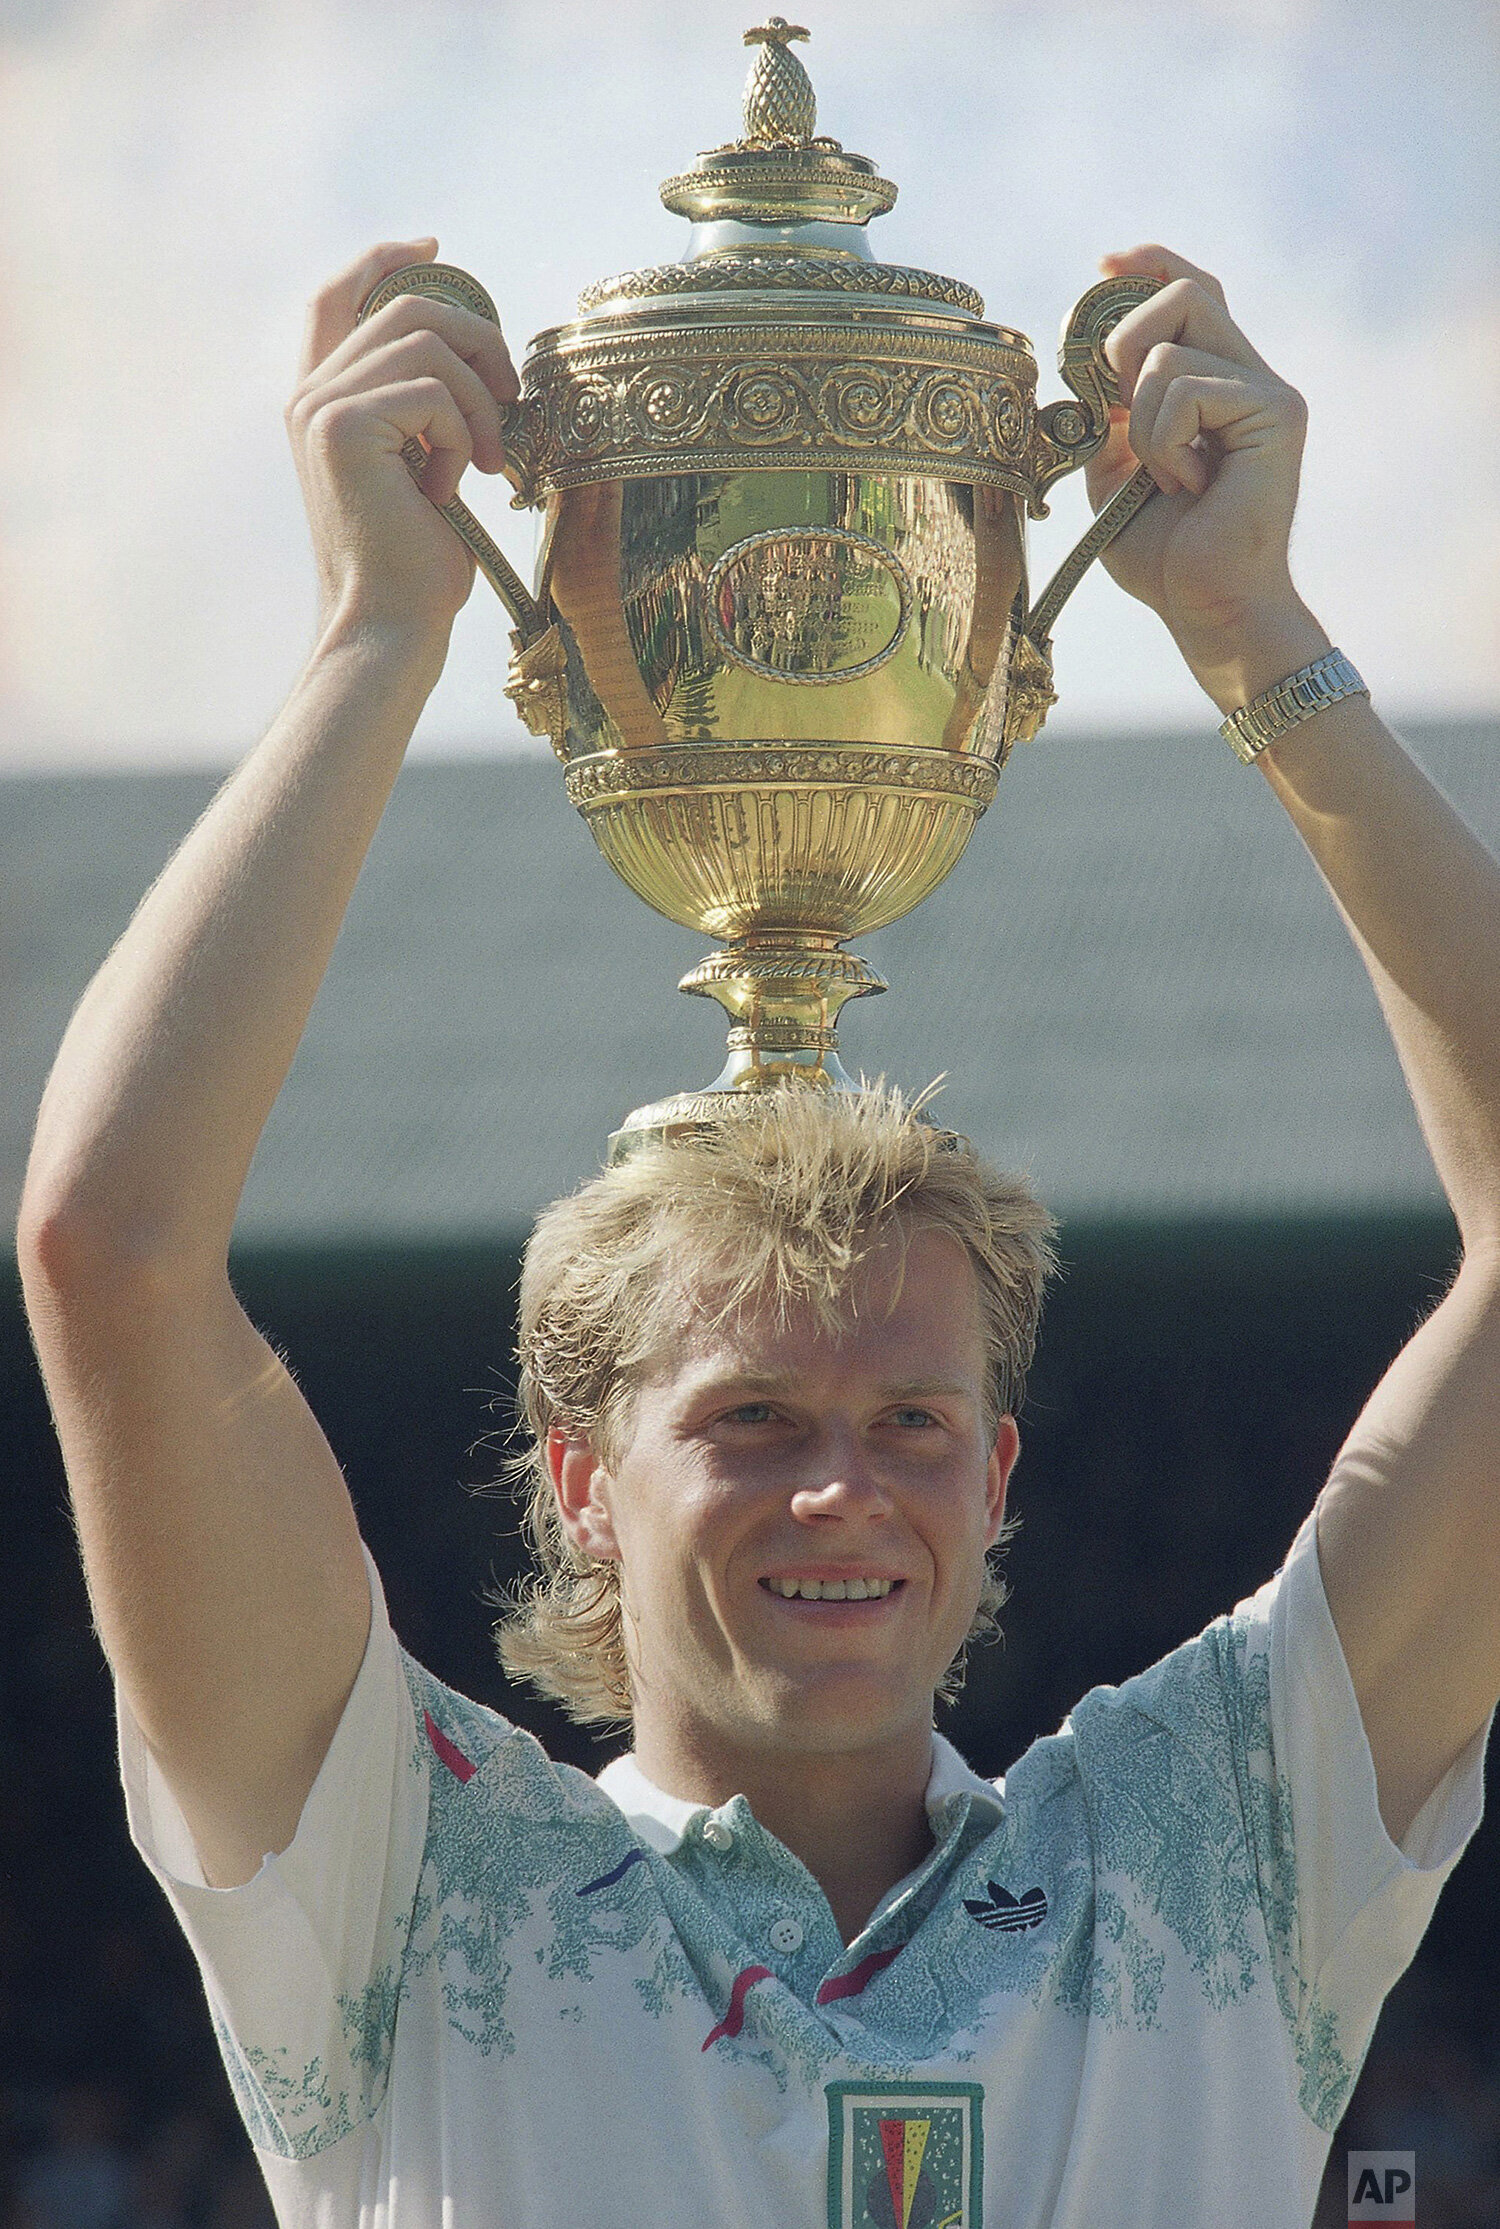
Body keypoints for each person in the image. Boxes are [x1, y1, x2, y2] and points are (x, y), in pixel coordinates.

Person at [16, 235, 1500, 2229]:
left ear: (996, 1470)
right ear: (579, 1478)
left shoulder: (1223, 1841)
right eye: (749, 1418)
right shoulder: (394, 1881)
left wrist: (1255, 633)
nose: (840, 1491)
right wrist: (380, 633)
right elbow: (112, 1250)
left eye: (908, 1422)